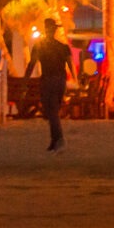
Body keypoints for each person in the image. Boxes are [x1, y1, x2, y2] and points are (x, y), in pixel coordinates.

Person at [30, 17, 75, 151]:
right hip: (60, 80)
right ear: (55, 30)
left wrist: (25, 80)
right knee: (53, 110)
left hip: (48, 80)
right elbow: (70, 64)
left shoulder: (39, 46)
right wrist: (75, 79)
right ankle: (54, 140)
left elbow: (31, 64)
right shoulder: (63, 47)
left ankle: (59, 139)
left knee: (51, 111)